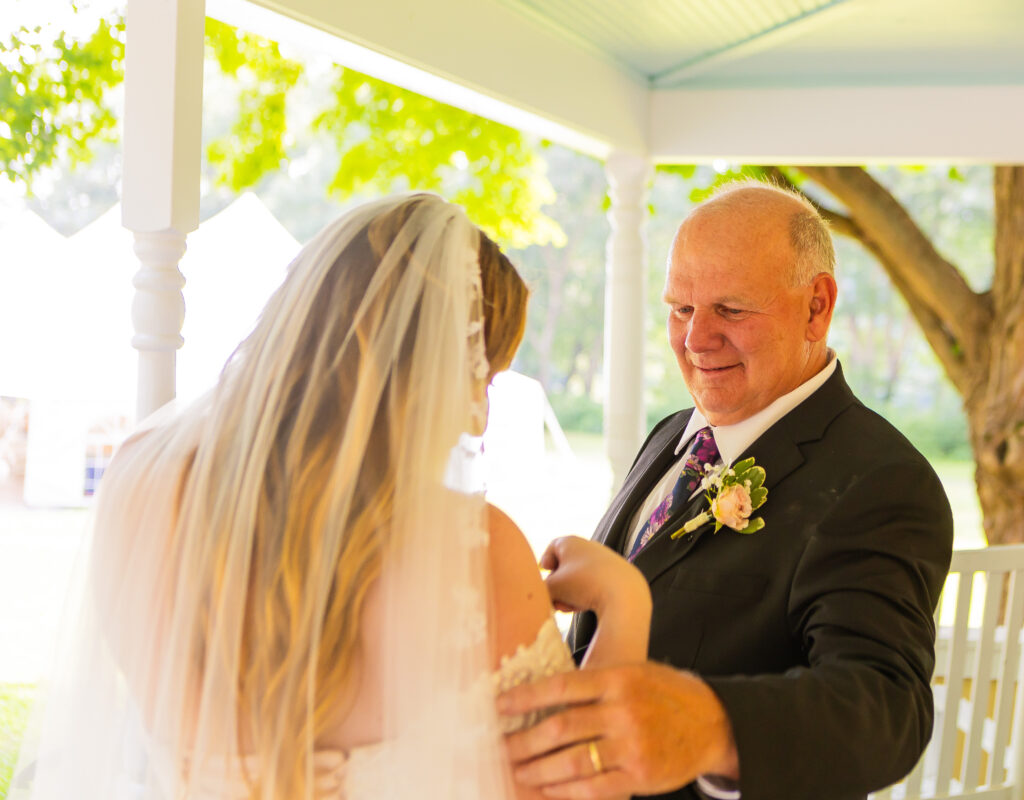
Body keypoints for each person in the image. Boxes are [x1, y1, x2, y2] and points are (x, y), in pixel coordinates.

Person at [13, 193, 651, 800]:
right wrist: (624, 606)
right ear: (422, 368)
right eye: (479, 377)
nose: (477, 419)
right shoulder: (470, 548)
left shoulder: (139, 480)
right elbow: (576, 786)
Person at [500, 181, 955, 800]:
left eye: (731, 311)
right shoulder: (670, 434)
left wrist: (714, 727)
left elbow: (886, 707)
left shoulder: (881, 480)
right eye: (681, 309)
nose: (695, 339)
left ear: (817, 306)